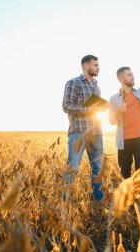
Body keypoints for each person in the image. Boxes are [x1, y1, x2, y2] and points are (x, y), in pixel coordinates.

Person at [62, 55, 107, 201]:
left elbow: (96, 110)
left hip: (96, 133)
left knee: (98, 168)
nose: (98, 67)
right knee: (73, 167)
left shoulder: (97, 87)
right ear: (87, 66)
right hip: (78, 132)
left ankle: (98, 201)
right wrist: (88, 110)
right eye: (95, 65)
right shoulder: (73, 83)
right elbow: (66, 105)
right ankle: (63, 202)